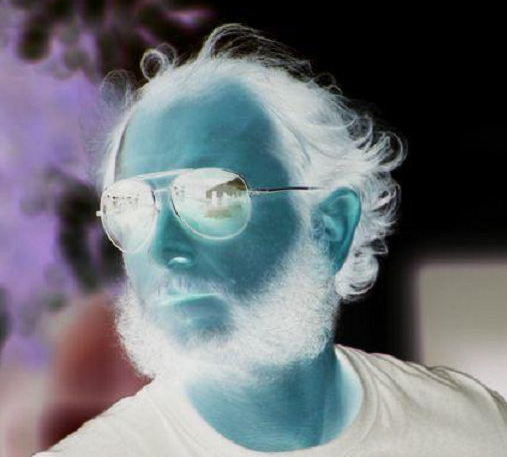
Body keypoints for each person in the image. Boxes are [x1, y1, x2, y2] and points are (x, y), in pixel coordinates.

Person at [34, 24, 507, 456]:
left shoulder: (477, 432)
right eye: (132, 206)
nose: (162, 248)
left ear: (331, 227)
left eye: (215, 196)